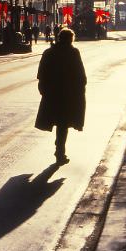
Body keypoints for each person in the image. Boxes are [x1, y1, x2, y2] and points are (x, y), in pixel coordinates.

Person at [35, 28, 87, 165]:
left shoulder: (49, 52)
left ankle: (59, 150)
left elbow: (41, 73)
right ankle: (60, 151)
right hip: (68, 95)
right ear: (71, 39)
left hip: (52, 94)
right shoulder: (73, 53)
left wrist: (44, 89)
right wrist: (81, 89)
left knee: (55, 120)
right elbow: (80, 74)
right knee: (63, 124)